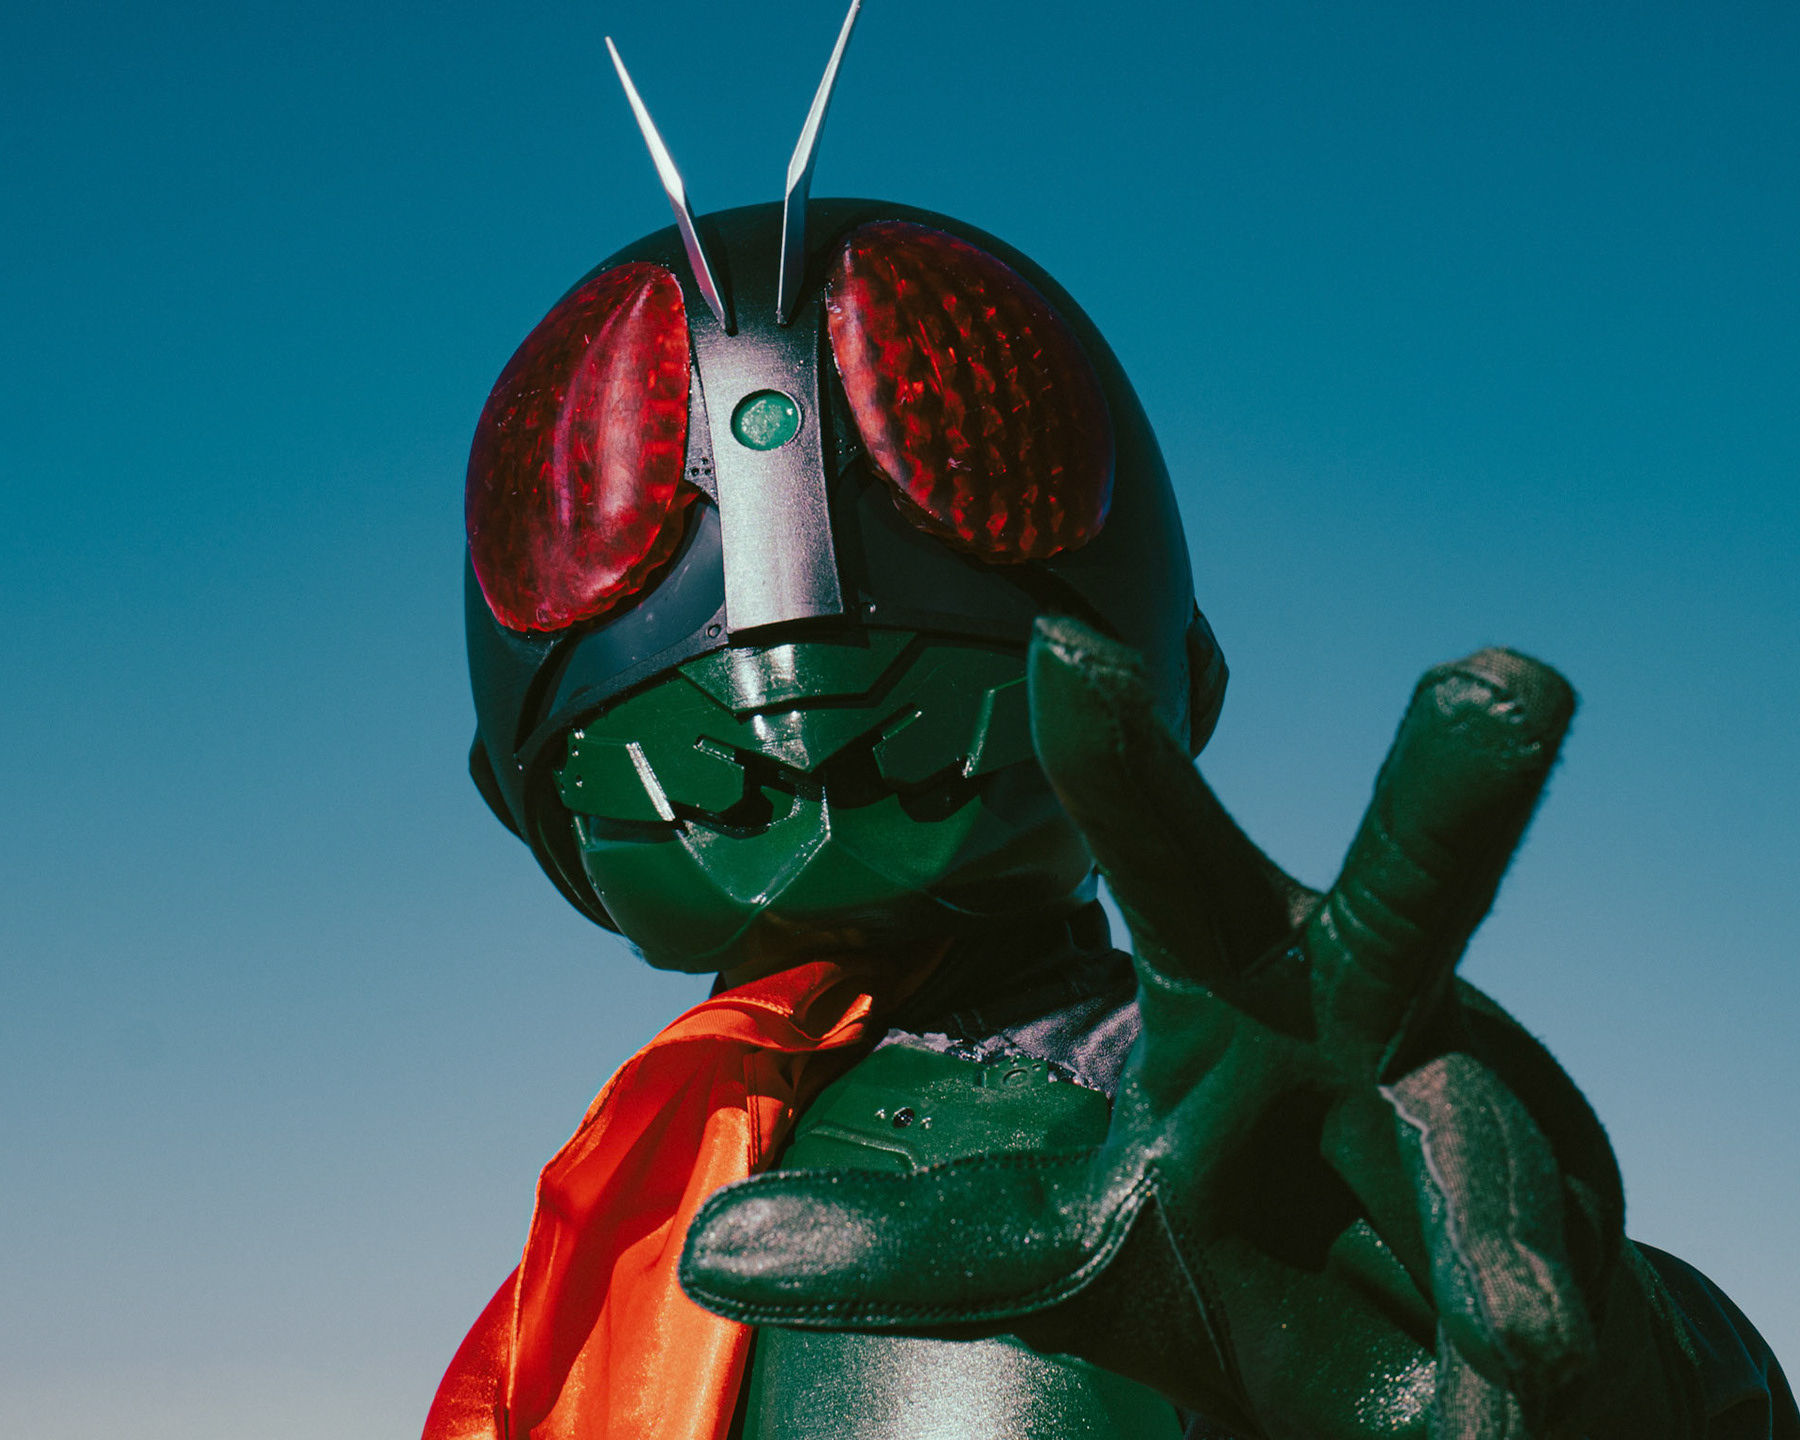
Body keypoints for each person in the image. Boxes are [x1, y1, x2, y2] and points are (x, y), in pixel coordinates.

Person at [423, 23, 1797, 1440]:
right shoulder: (611, 1235)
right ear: (1188, 682)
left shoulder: (1192, 1140)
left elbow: (1635, 1360)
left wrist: (1618, 1370)